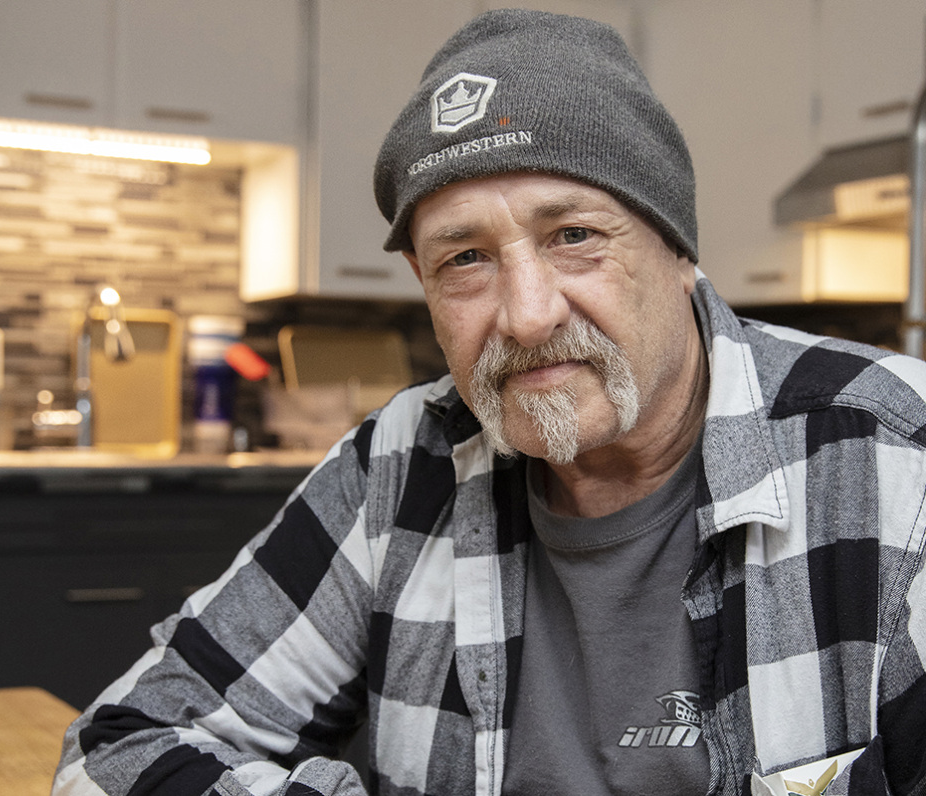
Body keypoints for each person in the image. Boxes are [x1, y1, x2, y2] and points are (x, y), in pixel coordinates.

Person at [53, 9, 926, 796]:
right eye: (464, 258)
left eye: (574, 236)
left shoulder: (895, 460)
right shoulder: (399, 467)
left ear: (678, 250)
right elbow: (119, 749)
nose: (527, 312)